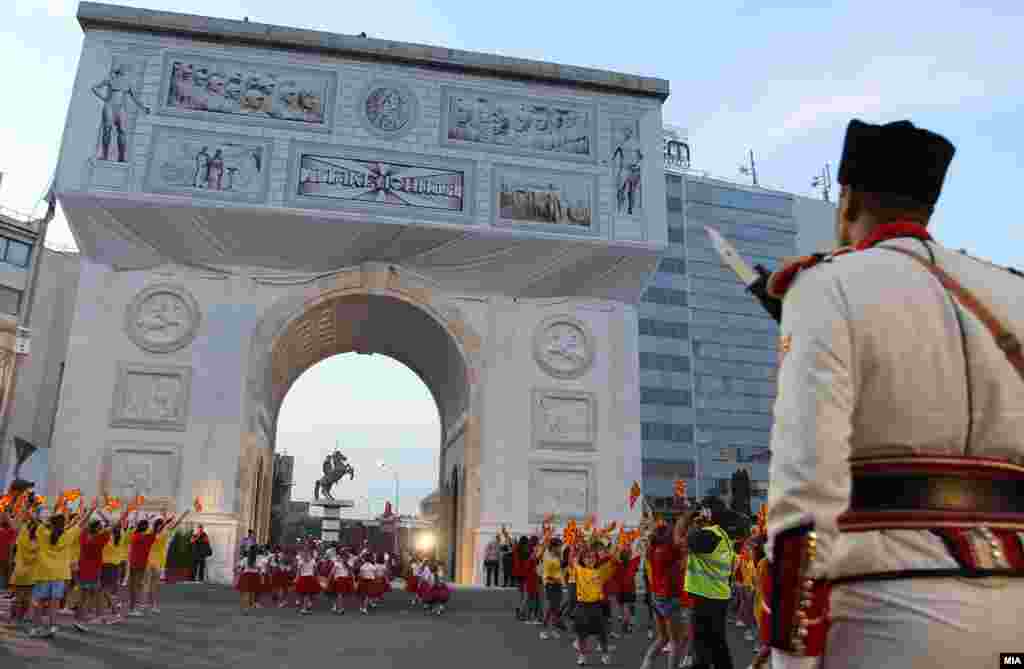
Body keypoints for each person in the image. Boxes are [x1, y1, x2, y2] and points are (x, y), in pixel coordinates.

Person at [761, 119, 1024, 669]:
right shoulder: (1012, 292)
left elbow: (805, 490)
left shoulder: (826, 285)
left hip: (888, 611)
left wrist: (791, 655)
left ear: (848, 199)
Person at [29, 499, 97, 637]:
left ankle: (36, 628)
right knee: (55, 603)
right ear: (63, 524)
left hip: (43, 573)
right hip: (60, 574)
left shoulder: (43, 532)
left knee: (39, 602)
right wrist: (91, 510)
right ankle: (53, 627)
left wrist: (28, 508)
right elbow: (81, 523)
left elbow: (35, 520)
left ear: (51, 523)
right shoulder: (68, 535)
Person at [686, 501, 736, 669]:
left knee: (702, 646)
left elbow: (687, 539)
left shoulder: (709, 535)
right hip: (718, 595)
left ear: (708, 514)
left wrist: (694, 522)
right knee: (717, 643)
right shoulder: (722, 534)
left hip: (706, 596)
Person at [639, 514, 690, 669]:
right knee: (676, 641)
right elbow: (683, 562)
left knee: (663, 638)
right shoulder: (669, 549)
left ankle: (646, 664)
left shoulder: (653, 548)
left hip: (657, 597)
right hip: (670, 597)